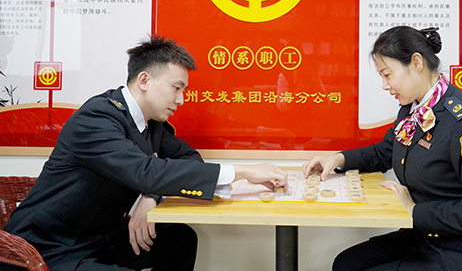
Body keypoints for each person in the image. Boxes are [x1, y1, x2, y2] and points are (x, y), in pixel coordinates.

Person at [3, 35, 288, 271]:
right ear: (144, 80)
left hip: (101, 238)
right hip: (49, 247)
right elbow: (144, 171)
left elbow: (189, 160)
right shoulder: (97, 118)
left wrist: (150, 197)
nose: (181, 100)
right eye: (176, 88)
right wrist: (243, 171)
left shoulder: (152, 125)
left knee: (179, 238)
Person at [303, 26, 462, 271]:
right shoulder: (414, 109)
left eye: (387, 75)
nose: (385, 85)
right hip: (426, 235)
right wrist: (337, 159)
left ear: (416, 63)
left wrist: (414, 210)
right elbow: (385, 152)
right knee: (346, 264)